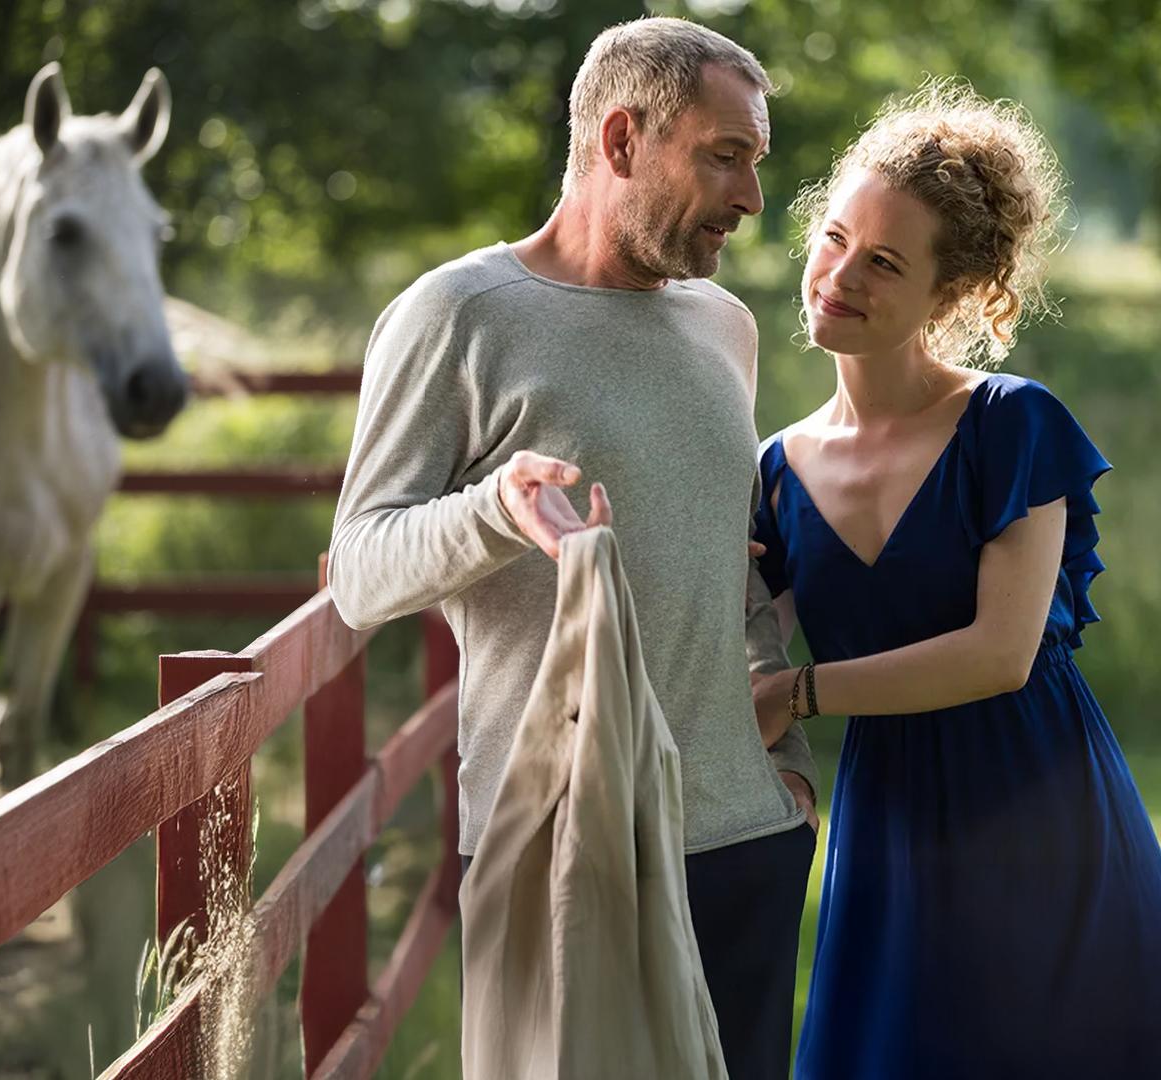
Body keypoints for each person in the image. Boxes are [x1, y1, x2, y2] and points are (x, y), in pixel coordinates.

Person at [327, 17, 817, 1078]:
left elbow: (731, 564)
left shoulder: (724, 326)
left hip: (745, 839)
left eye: (757, 161)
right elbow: (363, 574)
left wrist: (786, 769)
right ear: (623, 138)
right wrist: (497, 510)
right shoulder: (458, 316)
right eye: (725, 155)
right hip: (563, 849)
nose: (751, 197)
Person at [749, 80, 1161, 1078]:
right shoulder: (773, 469)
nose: (838, 275)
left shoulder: (1011, 424)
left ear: (952, 293)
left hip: (1043, 814)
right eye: (835, 238)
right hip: (892, 834)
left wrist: (794, 694)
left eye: (884, 262)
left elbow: (1001, 654)